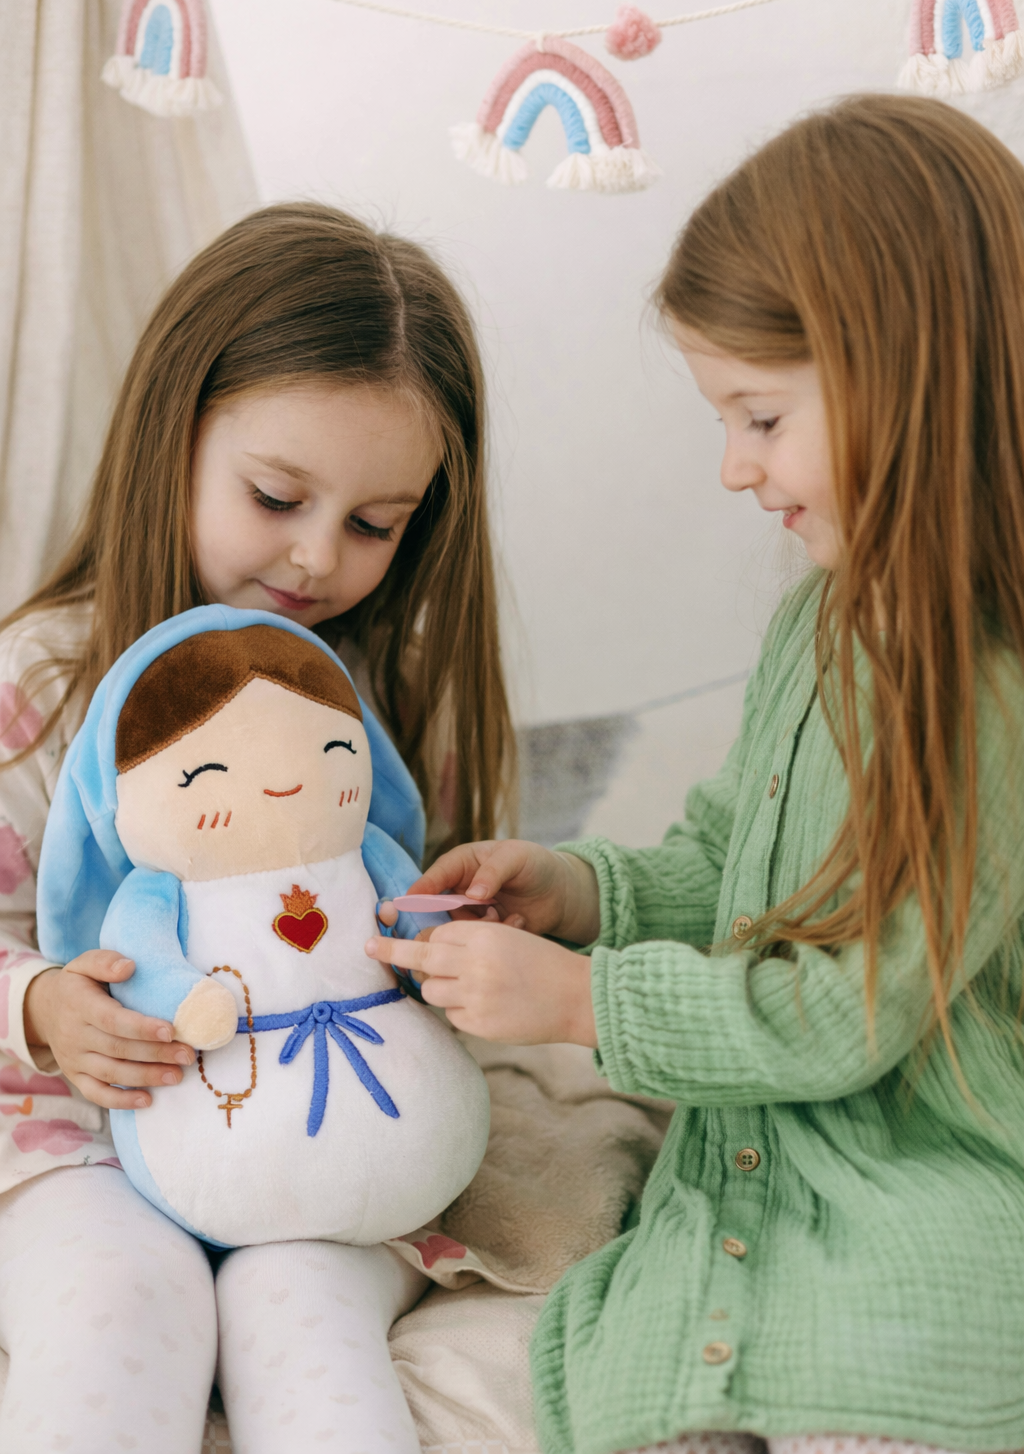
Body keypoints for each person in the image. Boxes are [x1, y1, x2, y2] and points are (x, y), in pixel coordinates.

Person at [367, 95, 1024, 1454]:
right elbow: (731, 863)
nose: (734, 468)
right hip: (738, 1210)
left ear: (904, 372)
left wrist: (581, 1002)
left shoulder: (983, 693)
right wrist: (579, 893)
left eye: (760, 416)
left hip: (915, 1231)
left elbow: (843, 1010)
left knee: (867, 1371)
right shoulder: (821, 624)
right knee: (634, 1375)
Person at [0, 201, 512, 1453]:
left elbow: (413, 911)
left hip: (324, 1134)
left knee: (304, 1315)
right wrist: (43, 1004)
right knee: (121, 1296)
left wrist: (457, 942)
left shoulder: (381, 699)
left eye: (375, 523)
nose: (316, 557)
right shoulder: (45, 688)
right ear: (171, 435)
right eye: (277, 495)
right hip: (82, 1137)